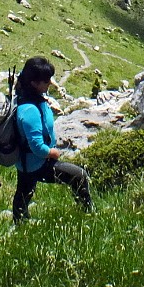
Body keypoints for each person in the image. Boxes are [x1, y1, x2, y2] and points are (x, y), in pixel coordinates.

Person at [13, 57, 92, 223]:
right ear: (34, 83)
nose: (50, 83)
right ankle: (87, 214)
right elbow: (36, 146)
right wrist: (52, 152)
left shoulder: (25, 92)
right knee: (79, 176)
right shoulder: (29, 110)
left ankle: (19, 221)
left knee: (24, 190)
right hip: (38, 163)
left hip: (25, 162)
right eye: (46, 80)